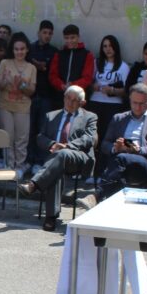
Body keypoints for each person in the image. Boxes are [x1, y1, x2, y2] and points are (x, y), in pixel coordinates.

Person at [19, 85, 97, 229]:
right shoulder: (51, 115)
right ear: (64, 98)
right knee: (56, 168)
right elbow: (40, 137)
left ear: (82, 102)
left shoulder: (89, 117)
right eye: (68, 98)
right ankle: (51, 218)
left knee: (61, 155)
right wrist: (52, 144)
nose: (70, 102)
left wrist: (68, 146)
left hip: (78, 157)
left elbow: (90, 138)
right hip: (56, 159)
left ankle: (33, 184)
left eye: (75, 100)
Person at [82, 83, 147, 206]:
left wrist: (138, 150)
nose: (137, 107)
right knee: (119, 161)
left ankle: (97, 195)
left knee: (120, 159)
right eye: (134, 103)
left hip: (143, 162)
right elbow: (105, 144)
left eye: (141, 103)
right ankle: (107, 206)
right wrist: (115, 148)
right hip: (119, 160)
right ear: (130, 101)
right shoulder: (118, 118)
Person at [0, 32, 37, 175]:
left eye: (22, 49)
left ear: (27, 50)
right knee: (7, 137)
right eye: (16, 49)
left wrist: (23, 85)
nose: (19, 52)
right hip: (5, 105)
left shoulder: (31, 67)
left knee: (21, 138)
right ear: (12, 50)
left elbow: (31, 91)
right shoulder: (4, 63)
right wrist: (6, 80)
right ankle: (8, 165)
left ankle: (19, 167)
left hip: (23, 106)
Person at [87, 34, 129, 172]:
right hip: (95, 103)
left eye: (110, 46)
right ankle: (90, 169)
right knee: (93, 136)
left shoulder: (123, 66)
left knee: (107, 137)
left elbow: (126, 91)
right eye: (105, 46)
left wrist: (112, 90)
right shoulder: (96, 63)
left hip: (113, 105)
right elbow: (88, 81)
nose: (108, 49)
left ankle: (103, 169)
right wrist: (95, 87)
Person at [28, 20, 59, 166]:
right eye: (44, 32)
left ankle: (40, 161)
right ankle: (28, 159)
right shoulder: (30, 48)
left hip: (47, 95)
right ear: (39, 32)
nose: (47, 36)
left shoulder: (54, 51)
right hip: (30, 95)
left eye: (50, 33)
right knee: (29, 128)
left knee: (42, 130)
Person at [48, 23, 94, 98]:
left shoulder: (87, 55)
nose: (69, 41)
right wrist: (61, 85)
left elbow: (87, 78)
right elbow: (52, 75)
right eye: (66, 38)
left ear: (78, 37)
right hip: (60, 95)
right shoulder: (59, 54)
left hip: (78, 96)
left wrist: (72, 85)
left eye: (72, 38)